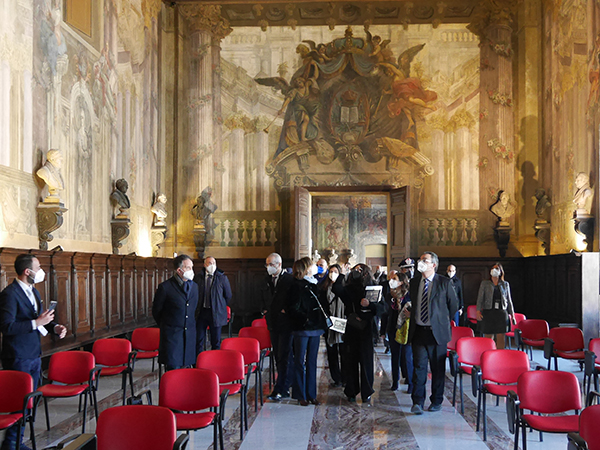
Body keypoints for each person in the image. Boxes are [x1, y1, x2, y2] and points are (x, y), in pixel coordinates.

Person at [0, 254, 67, 450]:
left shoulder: (34, 292)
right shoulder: (10, 294)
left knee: (30, 401)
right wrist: (36, 323)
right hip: (18, 355)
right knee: (19, 401)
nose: (41, 271)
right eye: (38, 268)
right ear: (27, 271)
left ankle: (17, 440)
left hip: (34, 354)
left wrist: (54, 327)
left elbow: (39, 320)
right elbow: (7, 327)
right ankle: (12, 443)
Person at [408, 251, 458, 414]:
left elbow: (453, 305)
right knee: (419, 368)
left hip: (437, 333)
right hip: (419, 331)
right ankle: (417, 401)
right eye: (420, 259)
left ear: (433, 265)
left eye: (424, 260)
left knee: (437, 369)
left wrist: (441, 320)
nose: (420, 262)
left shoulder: (444, 282)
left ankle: (436, 400)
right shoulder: (414, 282)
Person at [333, 263, 380, 403]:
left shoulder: (373, 287)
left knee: (366, 362)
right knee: (350, 361)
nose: (357, 272)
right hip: (352, 328)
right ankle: (351, 391)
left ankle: (367, 392)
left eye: (360, 270)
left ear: (366, 272)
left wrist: (370, 305)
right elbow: (336, 288)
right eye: (355, 270)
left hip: (366, 328)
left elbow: (382, 308)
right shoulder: (348, 289)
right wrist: (342, 273)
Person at [287, 257, 327, 406]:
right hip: (302, 328)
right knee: (299, 361)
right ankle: (300, 394)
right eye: (311, 265)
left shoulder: (315, 284)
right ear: (305, 268)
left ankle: (311, 394)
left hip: (315, 328)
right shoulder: (296, 285)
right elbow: (293, 308)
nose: (314, 267)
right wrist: (306, 319)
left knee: (312, 361)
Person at [152, 254, 198, 371]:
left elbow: (195, 309)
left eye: (192, 267)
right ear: (179, 270)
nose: (191, 270)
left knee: (187, 371)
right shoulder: (165, 287)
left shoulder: (195, 287)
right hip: (172, 336)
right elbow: (156, 311)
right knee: (173, 370)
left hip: (189, 336)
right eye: (188, 267)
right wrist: (168, 324)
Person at [261, 253, 294, 401]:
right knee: (278, 355)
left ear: (279, 265)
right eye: (267, 264)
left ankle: (283, 387)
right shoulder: (267, 279)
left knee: (285, 355)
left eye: (271, 264)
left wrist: (286, 310)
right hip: (272, 322)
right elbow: (263, 297)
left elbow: (292, 299)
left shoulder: (288, 279)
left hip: (285, 323)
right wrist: (264, 310)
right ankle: (283, 384)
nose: (268, 267)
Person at [194, 256, 232, 353]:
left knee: (215, 341)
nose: (212, 265)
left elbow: (228, 295)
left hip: (216, 312)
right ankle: (199, 360)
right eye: (209, 263)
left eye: (213, 263)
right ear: (204, 265)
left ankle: (215, 360)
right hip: (201, 312)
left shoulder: (222, 278)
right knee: (199, 340)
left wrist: (219, 305)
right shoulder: (198, 277)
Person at [476, 263, 515, 350]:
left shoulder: (505, 284)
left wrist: (512, 315)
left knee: (501, 337)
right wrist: (478, 311)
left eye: (497, 268)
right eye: (493, 268)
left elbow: (509, 300)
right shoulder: (485, 283)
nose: (494, 270)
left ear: (501, 271)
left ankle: (499, 355)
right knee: (488, 337)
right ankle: (488, 355)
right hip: (488, 312)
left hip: (501, 313)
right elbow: (480, 298)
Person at [386, 271, 413, 394]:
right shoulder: (390, 295)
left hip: (406, 329)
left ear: (401, 282)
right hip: (393, 328)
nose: (392, 281)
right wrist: (384, 331)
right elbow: (386, 314)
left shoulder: (409, 295)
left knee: (407, 356)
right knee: (395, 356)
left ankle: (410, 382)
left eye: (395, 279)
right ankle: (395, 381)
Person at [320, 264, 345, 387]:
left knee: (344, 353)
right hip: (330, 323)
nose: (332, 274)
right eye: (331, 271)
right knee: (332, 353)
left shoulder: (344, 287)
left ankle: (345, 378)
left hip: (343, 322)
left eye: (335, 271)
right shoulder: (324, 287)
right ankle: (336, 378)